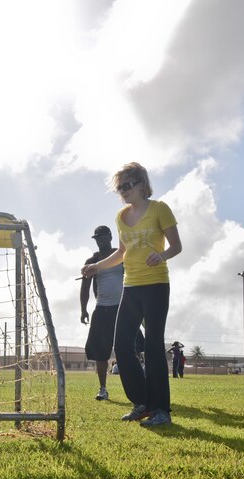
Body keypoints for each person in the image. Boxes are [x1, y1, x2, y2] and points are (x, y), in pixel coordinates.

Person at [82, 162, 182, 427]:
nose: (123, 192)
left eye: (127, 185)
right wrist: (96, 267)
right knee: (123, 346)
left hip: (156, 285)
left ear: (141, 184)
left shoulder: (160, 209)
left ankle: (161, 409)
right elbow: (121, 253)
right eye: (119, 188)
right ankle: (142, 403)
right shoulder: (120, 217)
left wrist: (161, 255)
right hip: (131, 287)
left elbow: (177, 246)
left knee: (152, 346)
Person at [80, 225, 123, 401]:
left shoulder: (121, 255)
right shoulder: (92, 260)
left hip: (122, 307)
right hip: (102, 308)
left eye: (103, 237)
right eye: (97, 238)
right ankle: (103, 388)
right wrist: (83, 309)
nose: (101, 241)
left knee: (132, 348)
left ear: (110, 237)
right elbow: (85, 288)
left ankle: (138, 386)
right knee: (100, 351)